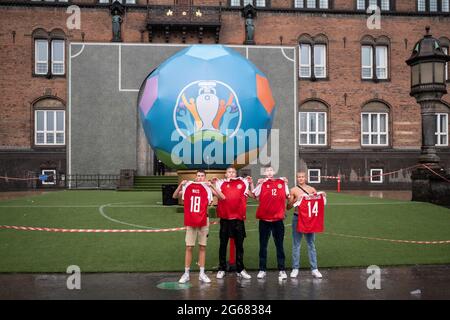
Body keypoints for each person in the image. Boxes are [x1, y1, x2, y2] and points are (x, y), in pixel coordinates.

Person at [172, 169, 225, 284]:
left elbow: (222, 198)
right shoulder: (188, 187)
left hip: (203, 220)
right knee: (189, 247)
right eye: (198, 176)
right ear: (195, 177)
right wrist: (181, 185)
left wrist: (213, 186)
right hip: (191, 220)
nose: (200, 178)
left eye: (202, 176)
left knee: (202, 247)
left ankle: (202, 273)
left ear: (205, 177)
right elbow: (175, 195)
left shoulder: (207, 188)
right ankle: (186, 273)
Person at [213, 166, 252, 280]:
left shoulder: (243, 182)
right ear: (225, 174)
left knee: (239, 246)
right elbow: (216, 194)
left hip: (238, 219)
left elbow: (252, 194)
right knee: (223, 245)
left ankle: (240, 269)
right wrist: (214, 184)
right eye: (229, 172)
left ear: (236, 174)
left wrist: (250, 181)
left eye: (233, 172)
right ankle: (222, 268)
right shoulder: (220, 184)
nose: (231, 174)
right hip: (225, 219)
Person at [253, 166, 289, 280]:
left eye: (271, 170)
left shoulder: (281, 183)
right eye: (267, 171)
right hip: (264, 220)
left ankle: (282, 270)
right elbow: (255, 195)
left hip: (278, 220)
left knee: (279, 246)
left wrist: (285, 182)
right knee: (263, 246)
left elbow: (287, 195)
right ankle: (262, 269)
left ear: (274, 172)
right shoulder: (262, 183)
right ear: (264, 173)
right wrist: (258, 183)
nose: (269, 172)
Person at [287, 171, 324, 279]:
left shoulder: (312, 189)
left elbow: (317, 201)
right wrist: (295, 200)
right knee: (296, 244)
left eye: (302, 177)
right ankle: (295, 268)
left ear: (305, 178)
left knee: (311, 244)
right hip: (297, 218)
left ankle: (314, 269)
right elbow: (288, 207)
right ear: (297, 178)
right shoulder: (293, 190)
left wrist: (322, 195)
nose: (301, 178)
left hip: (309, 220)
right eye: (299, 177)